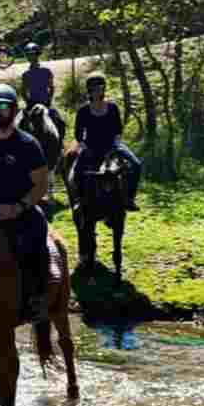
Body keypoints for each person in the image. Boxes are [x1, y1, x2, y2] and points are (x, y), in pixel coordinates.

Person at [0, 84, 51, 321]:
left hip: (23, 209)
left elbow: (41, 185)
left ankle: (37, 299)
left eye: (2, 107)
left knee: (36, 241)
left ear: (13, 110)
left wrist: (18, 207)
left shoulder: (28, 145)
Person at [67, 72, 142, 267]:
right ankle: (79, 201)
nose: (98, 90)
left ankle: (128, 199)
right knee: (77, 172)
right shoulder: (83, 110)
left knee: (136, 165)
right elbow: (78, 133)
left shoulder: (112, 107)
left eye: (101, 86)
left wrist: (115, 146)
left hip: (111, 146)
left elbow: (118, 130)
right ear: (89, 90)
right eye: (94, 87)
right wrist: (84, 147)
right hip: (91, 147)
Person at [20, 42, 67, 145]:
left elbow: (51, 87)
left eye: (33, 54)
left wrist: (49, 101)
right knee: (20, 122)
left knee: (60, 121)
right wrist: (28, 102)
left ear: (38, 54)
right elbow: (23, 91)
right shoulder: (25, 75)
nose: (31, 57)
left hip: (45, 102)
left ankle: (60, 143)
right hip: (32, 104)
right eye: (29, 55)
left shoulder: (46, 71)